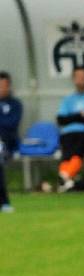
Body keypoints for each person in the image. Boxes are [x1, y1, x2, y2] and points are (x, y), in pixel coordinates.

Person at [0, 71, 22, 213]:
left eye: (3, 85)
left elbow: (12, 124)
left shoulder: (15, 104)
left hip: (8, 141)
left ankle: (4, 202)